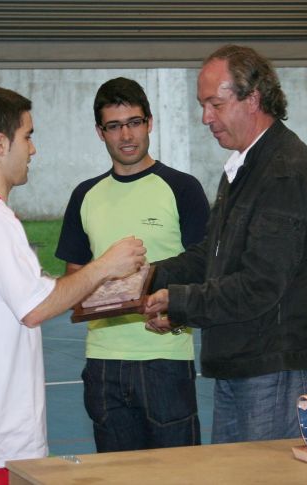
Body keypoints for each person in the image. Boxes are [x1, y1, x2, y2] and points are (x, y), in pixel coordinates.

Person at [0, 85, 146, 484]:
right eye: (28, 136)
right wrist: (106, 266)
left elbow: (21, 294)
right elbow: (35, 307)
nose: (33, 149)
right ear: (1, 144)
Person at [143, 44, 307, 443]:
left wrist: (178, 301)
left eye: (215, 103)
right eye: (202, 105)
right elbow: (212, 256)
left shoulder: (284, 173)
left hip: (273, 365)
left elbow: (259, 285)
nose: (205, 118)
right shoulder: (245, 166)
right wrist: (149, 277)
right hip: (244, 359)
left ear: (253, 98)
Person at [55, 77, 209, 452]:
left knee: (178, 478)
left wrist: (179, 315)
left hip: (165, 357)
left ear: (150, 123)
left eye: (134, 122)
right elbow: (74, 279)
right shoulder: (84, 195)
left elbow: (206, 271)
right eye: (114, 125)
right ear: (99, 132)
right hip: (104, 362)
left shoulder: (183, 188)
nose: (126, 135)